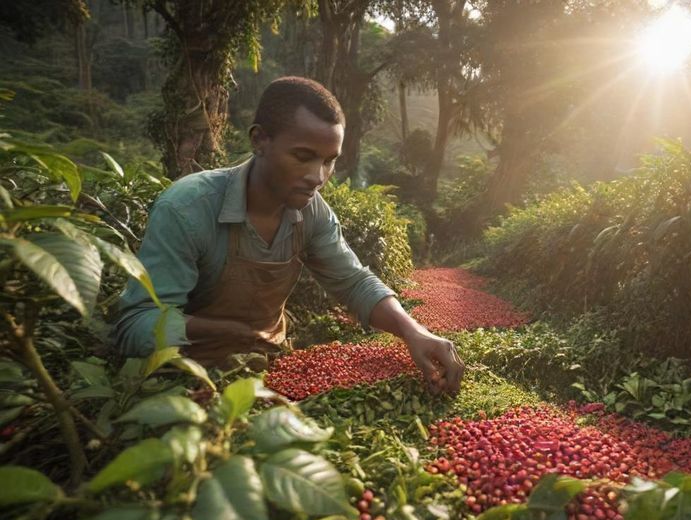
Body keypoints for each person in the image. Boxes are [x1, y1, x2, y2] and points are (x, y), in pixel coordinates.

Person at [113, 76, 464, 395]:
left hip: (263, 367)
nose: (317, 176)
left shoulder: (312, 212)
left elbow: (354, 282)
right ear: (259, 140)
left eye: (329, 161)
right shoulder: (187, 208)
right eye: (303, 156)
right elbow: (136, 325)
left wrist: (413, 331)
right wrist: (221, 331)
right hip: (177, 376)